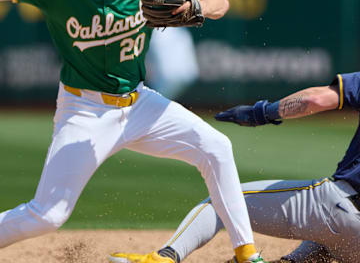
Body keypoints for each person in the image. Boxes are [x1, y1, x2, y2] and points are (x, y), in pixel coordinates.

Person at [0, 0, 267, 263]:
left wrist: (197, 5)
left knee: (216, 146)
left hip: (138, 104)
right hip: (84, 111)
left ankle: (246, 253)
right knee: (48, 214)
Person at [120, 72, 360, 263]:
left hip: (341, 208)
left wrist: (261, 113)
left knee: (221, 201)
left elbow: (314, 100)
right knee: (328, 243)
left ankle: (165, 258)